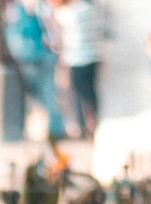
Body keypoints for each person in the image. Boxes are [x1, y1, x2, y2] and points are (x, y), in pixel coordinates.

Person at [4, 0, 66, 140]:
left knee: (45, 94)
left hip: (33, 56)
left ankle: (54, 129)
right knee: (45, 93)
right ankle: (53, 128)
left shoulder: (20, 9)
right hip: (36, 54)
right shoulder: (38, 7)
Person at [51, 0, 104, 139]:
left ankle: (84, 127)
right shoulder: (91, 9)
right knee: (90, 93)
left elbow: (58, 15)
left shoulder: (72, 12)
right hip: (93, 56)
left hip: (77, 58)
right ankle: (92, 124)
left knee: (80, 94)